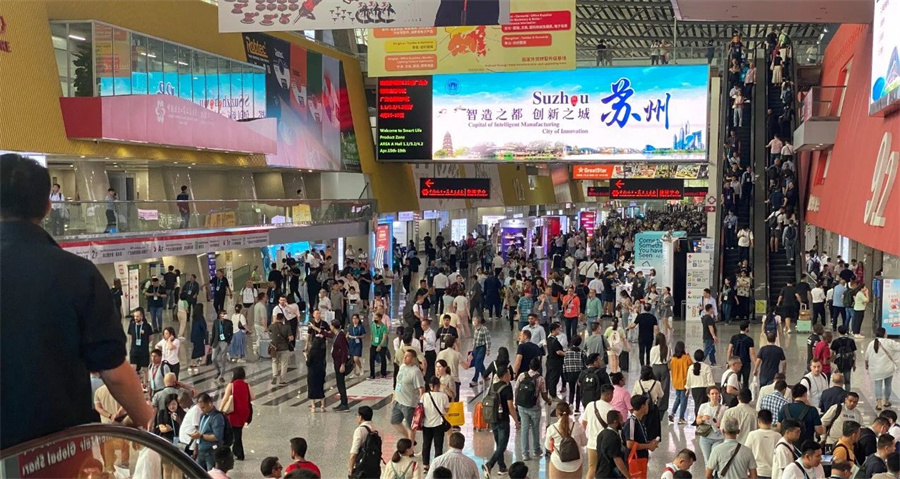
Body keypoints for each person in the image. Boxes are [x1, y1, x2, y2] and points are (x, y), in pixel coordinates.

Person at [0, 155, 154, 449]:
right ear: (48, 206)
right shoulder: (78, 274)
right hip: (61, 451)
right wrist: (148, 420)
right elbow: (113, 372)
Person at [483, 367, 518, 478]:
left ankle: (502, 467)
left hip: (493, 419)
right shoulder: (507, 388)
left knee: (499, 444)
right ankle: (490, 464)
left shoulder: (492, 387)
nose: (510, 376)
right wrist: (516, 420)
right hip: (503, 420)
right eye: (509, 374)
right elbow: (510, 406)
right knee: (502, 445)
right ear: (504, 375)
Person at [517, 358, 552, 460]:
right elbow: (544, 394)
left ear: (529, 366)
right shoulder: (540, 379)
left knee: (524, 429)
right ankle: (536, 450)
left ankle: (525, 453)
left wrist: (516, 402)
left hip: (522, 406)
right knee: (536, 429)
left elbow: (516, 389)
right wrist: (548, 400)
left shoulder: (522, 375)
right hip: (534, 407)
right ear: (539, 367)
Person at [543, 402, 588, 478]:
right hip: (576, 464)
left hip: (558, 464)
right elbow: (584, 443)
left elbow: (547, 446)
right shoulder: (578, 426)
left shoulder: (552, 428)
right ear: (569, 412)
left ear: (557, 413)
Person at [623, 395, 660, 478]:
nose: (648, 407)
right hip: (634, 459)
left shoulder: (639, 421)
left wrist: (650, 443)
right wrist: (648, 446)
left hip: (641, 458)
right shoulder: (632, 422)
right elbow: (630, 444)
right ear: (643, 406)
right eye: (647, 404)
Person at [393, 349, 425, 442]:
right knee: (395, 421)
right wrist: (394, 395)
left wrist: (421, 402)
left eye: (407, 356)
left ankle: (410, 446)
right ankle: (410, 440)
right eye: (404, 356)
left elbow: (421, 388)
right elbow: (398, 382)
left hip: (409, 403)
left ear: (413, 359)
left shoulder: (416, 371)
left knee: (410, 426)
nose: (404, 358)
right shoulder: (402, 367)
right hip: (398, 400)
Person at [582, 384, 615, 474]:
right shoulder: (611, 409)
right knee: (604, 470)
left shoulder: (590, 405)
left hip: (591, 444)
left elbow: (583, 424)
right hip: (605, 445)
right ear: (609, 395)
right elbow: (613, 429)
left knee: (592, 469)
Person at [865, 327, 900, 410]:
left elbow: (867, 356)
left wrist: (866, 365)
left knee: (878, 385)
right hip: (888, 369)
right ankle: (886, 401)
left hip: (876, 369)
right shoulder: (890, 342)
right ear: (884, 334)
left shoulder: (871, 343)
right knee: (888, 385)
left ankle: (879, 404)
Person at [421, 376, 449, 471]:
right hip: (439, 424)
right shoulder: (443, 396)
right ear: (439, 385)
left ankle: (425, 465)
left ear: (430, 385)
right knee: (438, 446)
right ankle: (437, 465)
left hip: (426, 424)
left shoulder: (424, 396)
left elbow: (420, 408)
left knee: (426, 445)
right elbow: (447, 410)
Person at [192, 393, 226, 471]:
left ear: (210, 403)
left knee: (210, 473)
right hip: (201, 450)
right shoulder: (203, 415)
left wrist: (201, 436)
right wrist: (196, 448)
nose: (202, 410)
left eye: (203, 407)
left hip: (211, 451)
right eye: (200, 408)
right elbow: (200, 430)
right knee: (198, 472)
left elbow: (217, 436)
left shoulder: (217, 417)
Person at [304, 311, 329, 411]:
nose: (318, 315)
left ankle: (315, 405)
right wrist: (306, 345)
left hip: (321, 347)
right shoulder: (311, 324)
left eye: (319, 313)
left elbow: (328, 333)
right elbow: (308, 335)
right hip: (315, 347)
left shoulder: (324, 324)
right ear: (313, 315)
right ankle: (320, 405)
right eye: (316, 313)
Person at [745, 410, 782, 479]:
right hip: (772, 472)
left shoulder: (752, 435)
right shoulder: (778, 436)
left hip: (757, 471)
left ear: (759, 421)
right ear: (771, 421)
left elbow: (746, 453)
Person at [595, 409, 631, 479]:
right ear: (615, 421)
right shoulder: (613, 437)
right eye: (621, 420)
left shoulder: (601, 433)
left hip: (600, 472)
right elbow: (617, 460)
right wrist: (628, 477)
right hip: (610, 475)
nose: (622, 422)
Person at [696, 385, 729, 462]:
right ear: (708, 395)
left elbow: (727, 423)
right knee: (707, 460)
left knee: (714, 459)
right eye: (712, 394)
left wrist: (721, 424)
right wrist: (702, 419)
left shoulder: (724, 408)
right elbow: (697, 421)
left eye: (716, 393)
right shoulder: (703, 406)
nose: (715, 396)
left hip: (719, 438)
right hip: (705, 437)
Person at [349, 406, 381, 478]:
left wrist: (350, 470)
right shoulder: (378, 430)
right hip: (375, 467)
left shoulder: (359, 430)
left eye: (357, 415)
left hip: (362, 468)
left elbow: (353, 453)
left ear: (360, 417)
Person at [628, 303, 658, 367]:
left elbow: (633, 325)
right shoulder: (653, 317)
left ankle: (642, 365)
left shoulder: (640, 316)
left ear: (643, 308)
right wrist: (658, 335)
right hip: (650, 337)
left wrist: (628, 328)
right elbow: (656, 328)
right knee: (648, 351)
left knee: (641, 351)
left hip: (641, 337)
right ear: (650, 309)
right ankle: (648, 364)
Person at [687, 350, 716, 418]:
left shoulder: (691, 367)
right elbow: (710, 380)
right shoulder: (706, 367)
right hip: (704, 389)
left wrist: (687, 388)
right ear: (703, 357)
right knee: (703, 406)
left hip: (694, 390)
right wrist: (712, 388)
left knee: (697, 404)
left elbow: (688, 379)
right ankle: (701, 420)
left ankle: (697, 419)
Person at [727, 321, 756, 387]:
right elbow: (752, 353)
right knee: (746, 381)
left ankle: (737, 392)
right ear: (746, 328)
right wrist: (756, 365)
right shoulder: (749, 340)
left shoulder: (734, 337)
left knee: (736, 380)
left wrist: (728, 362)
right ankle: (745, 392)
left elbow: (729, 350)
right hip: (746, 362)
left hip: (735, 362)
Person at [268, 313, 293, 386]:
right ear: (283, 319)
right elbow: (291, 338)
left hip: (274, 347)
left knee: (274, 361)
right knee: (284, 364)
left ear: (276, 318)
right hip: (284, 347)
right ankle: (282, 380)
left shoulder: (271, 326)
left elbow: (269, 333)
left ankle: (275, 374)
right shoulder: (287, 327)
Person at [831, 326, 857, 392]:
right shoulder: (851, 341)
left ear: (838, 332)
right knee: (847, 381)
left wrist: (832, 362)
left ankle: (838, 392)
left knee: (838, 380)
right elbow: (854, 354)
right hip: (848, 363)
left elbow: (831, 353)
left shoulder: (835, 341)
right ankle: (847, 394)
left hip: (838, 363)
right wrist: (854, 364)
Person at [210, 310, 234, 384]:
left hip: (224, 342)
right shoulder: (216, 322)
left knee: (223, 359)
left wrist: (228, 342)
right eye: (223, 314)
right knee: (213, 358)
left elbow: (231, 333)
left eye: (225, 314)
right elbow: (213, 333)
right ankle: (218, 371)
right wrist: (211, 343)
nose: (224, 315)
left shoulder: (229, 322)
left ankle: (222, 376)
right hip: (216, 341)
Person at [470, 316, 492, 387]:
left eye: (475, 320)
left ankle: (475, 379)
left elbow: (487, 339)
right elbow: (474, 339)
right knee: (479, 363)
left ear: (478, 321)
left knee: (478, 363)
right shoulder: (475, 329)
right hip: (476, 348)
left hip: (482, 348)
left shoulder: (484, 329)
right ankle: (485, 375)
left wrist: (488, 349)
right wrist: (473, 347)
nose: (473, 322)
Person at [370, 312, 389, 379]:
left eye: (376, 318)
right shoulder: (373, 325)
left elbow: (384, 337)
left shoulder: (384, 327)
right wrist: (371, 343)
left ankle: (383, 373)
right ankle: (372, 374)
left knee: (382, 358)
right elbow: (372, 334)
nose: (375, 319)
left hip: (382, 345)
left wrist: (380, 345)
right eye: (374, 318)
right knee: (371, 358)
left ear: (380, 318)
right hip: (374, 344)